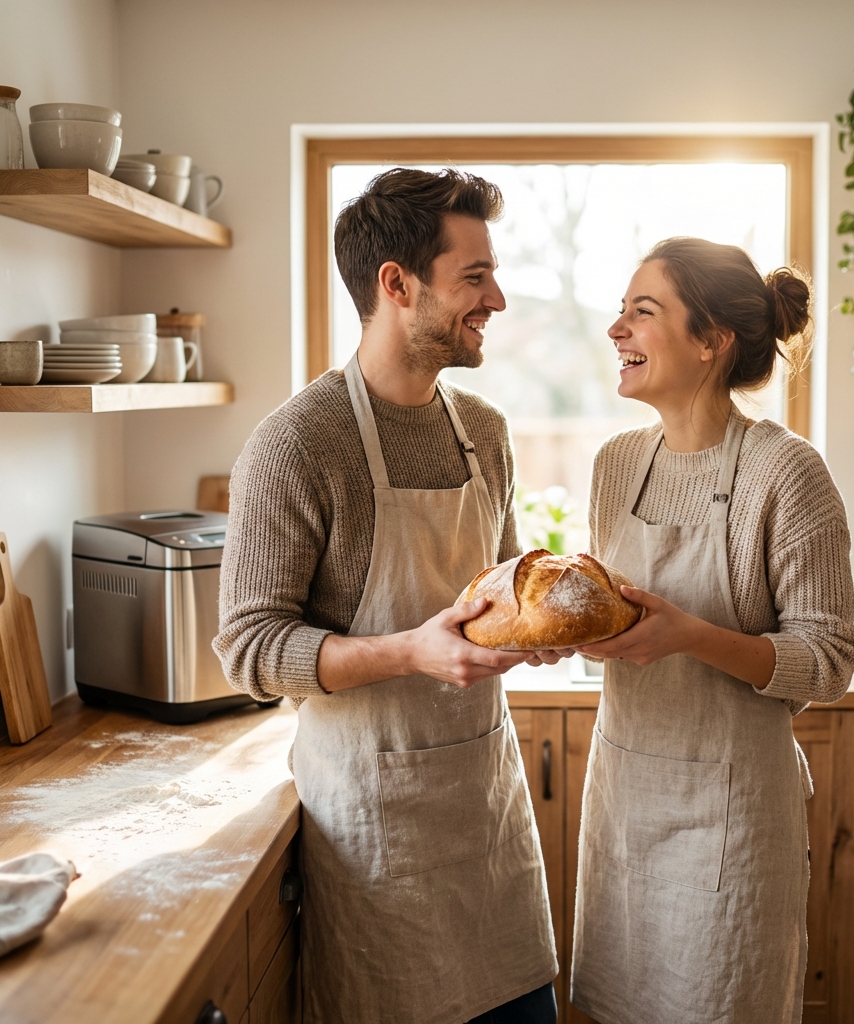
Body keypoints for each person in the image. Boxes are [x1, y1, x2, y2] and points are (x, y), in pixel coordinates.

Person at [215, 168, 558, 1024]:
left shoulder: (485, 432)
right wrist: (412, 651)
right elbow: (250, 651)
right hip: (375, 839)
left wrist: (538, 623)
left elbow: (498, 588)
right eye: (473, 277)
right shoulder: (297, 443)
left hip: (485, 819)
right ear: (396, 284)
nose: (498, 299)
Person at [568, 238, 854, 1023]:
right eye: (620, 309)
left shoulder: (787, 473)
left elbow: (828, 662)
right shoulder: (615, 464)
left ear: (711, 341)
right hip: (625, 809)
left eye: (642, 311)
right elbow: (617, 615)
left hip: (733, 823)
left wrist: (689, 635)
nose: (616, 329)